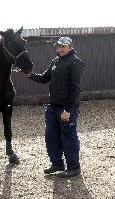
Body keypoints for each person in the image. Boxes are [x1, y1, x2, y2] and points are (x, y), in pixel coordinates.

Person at [26, 37, 84, 178]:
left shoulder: (75, 62)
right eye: (58, 46)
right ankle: (57, 163)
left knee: (68, 137)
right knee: (51, 136)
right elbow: (45, 78)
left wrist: (68, 110)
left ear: (70, 47)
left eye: (63, 46)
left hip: (66, 108)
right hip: (53, 107)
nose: (60, 49)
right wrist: (30, 75)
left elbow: (75, 89)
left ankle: (74, 167)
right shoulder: (56, 61)